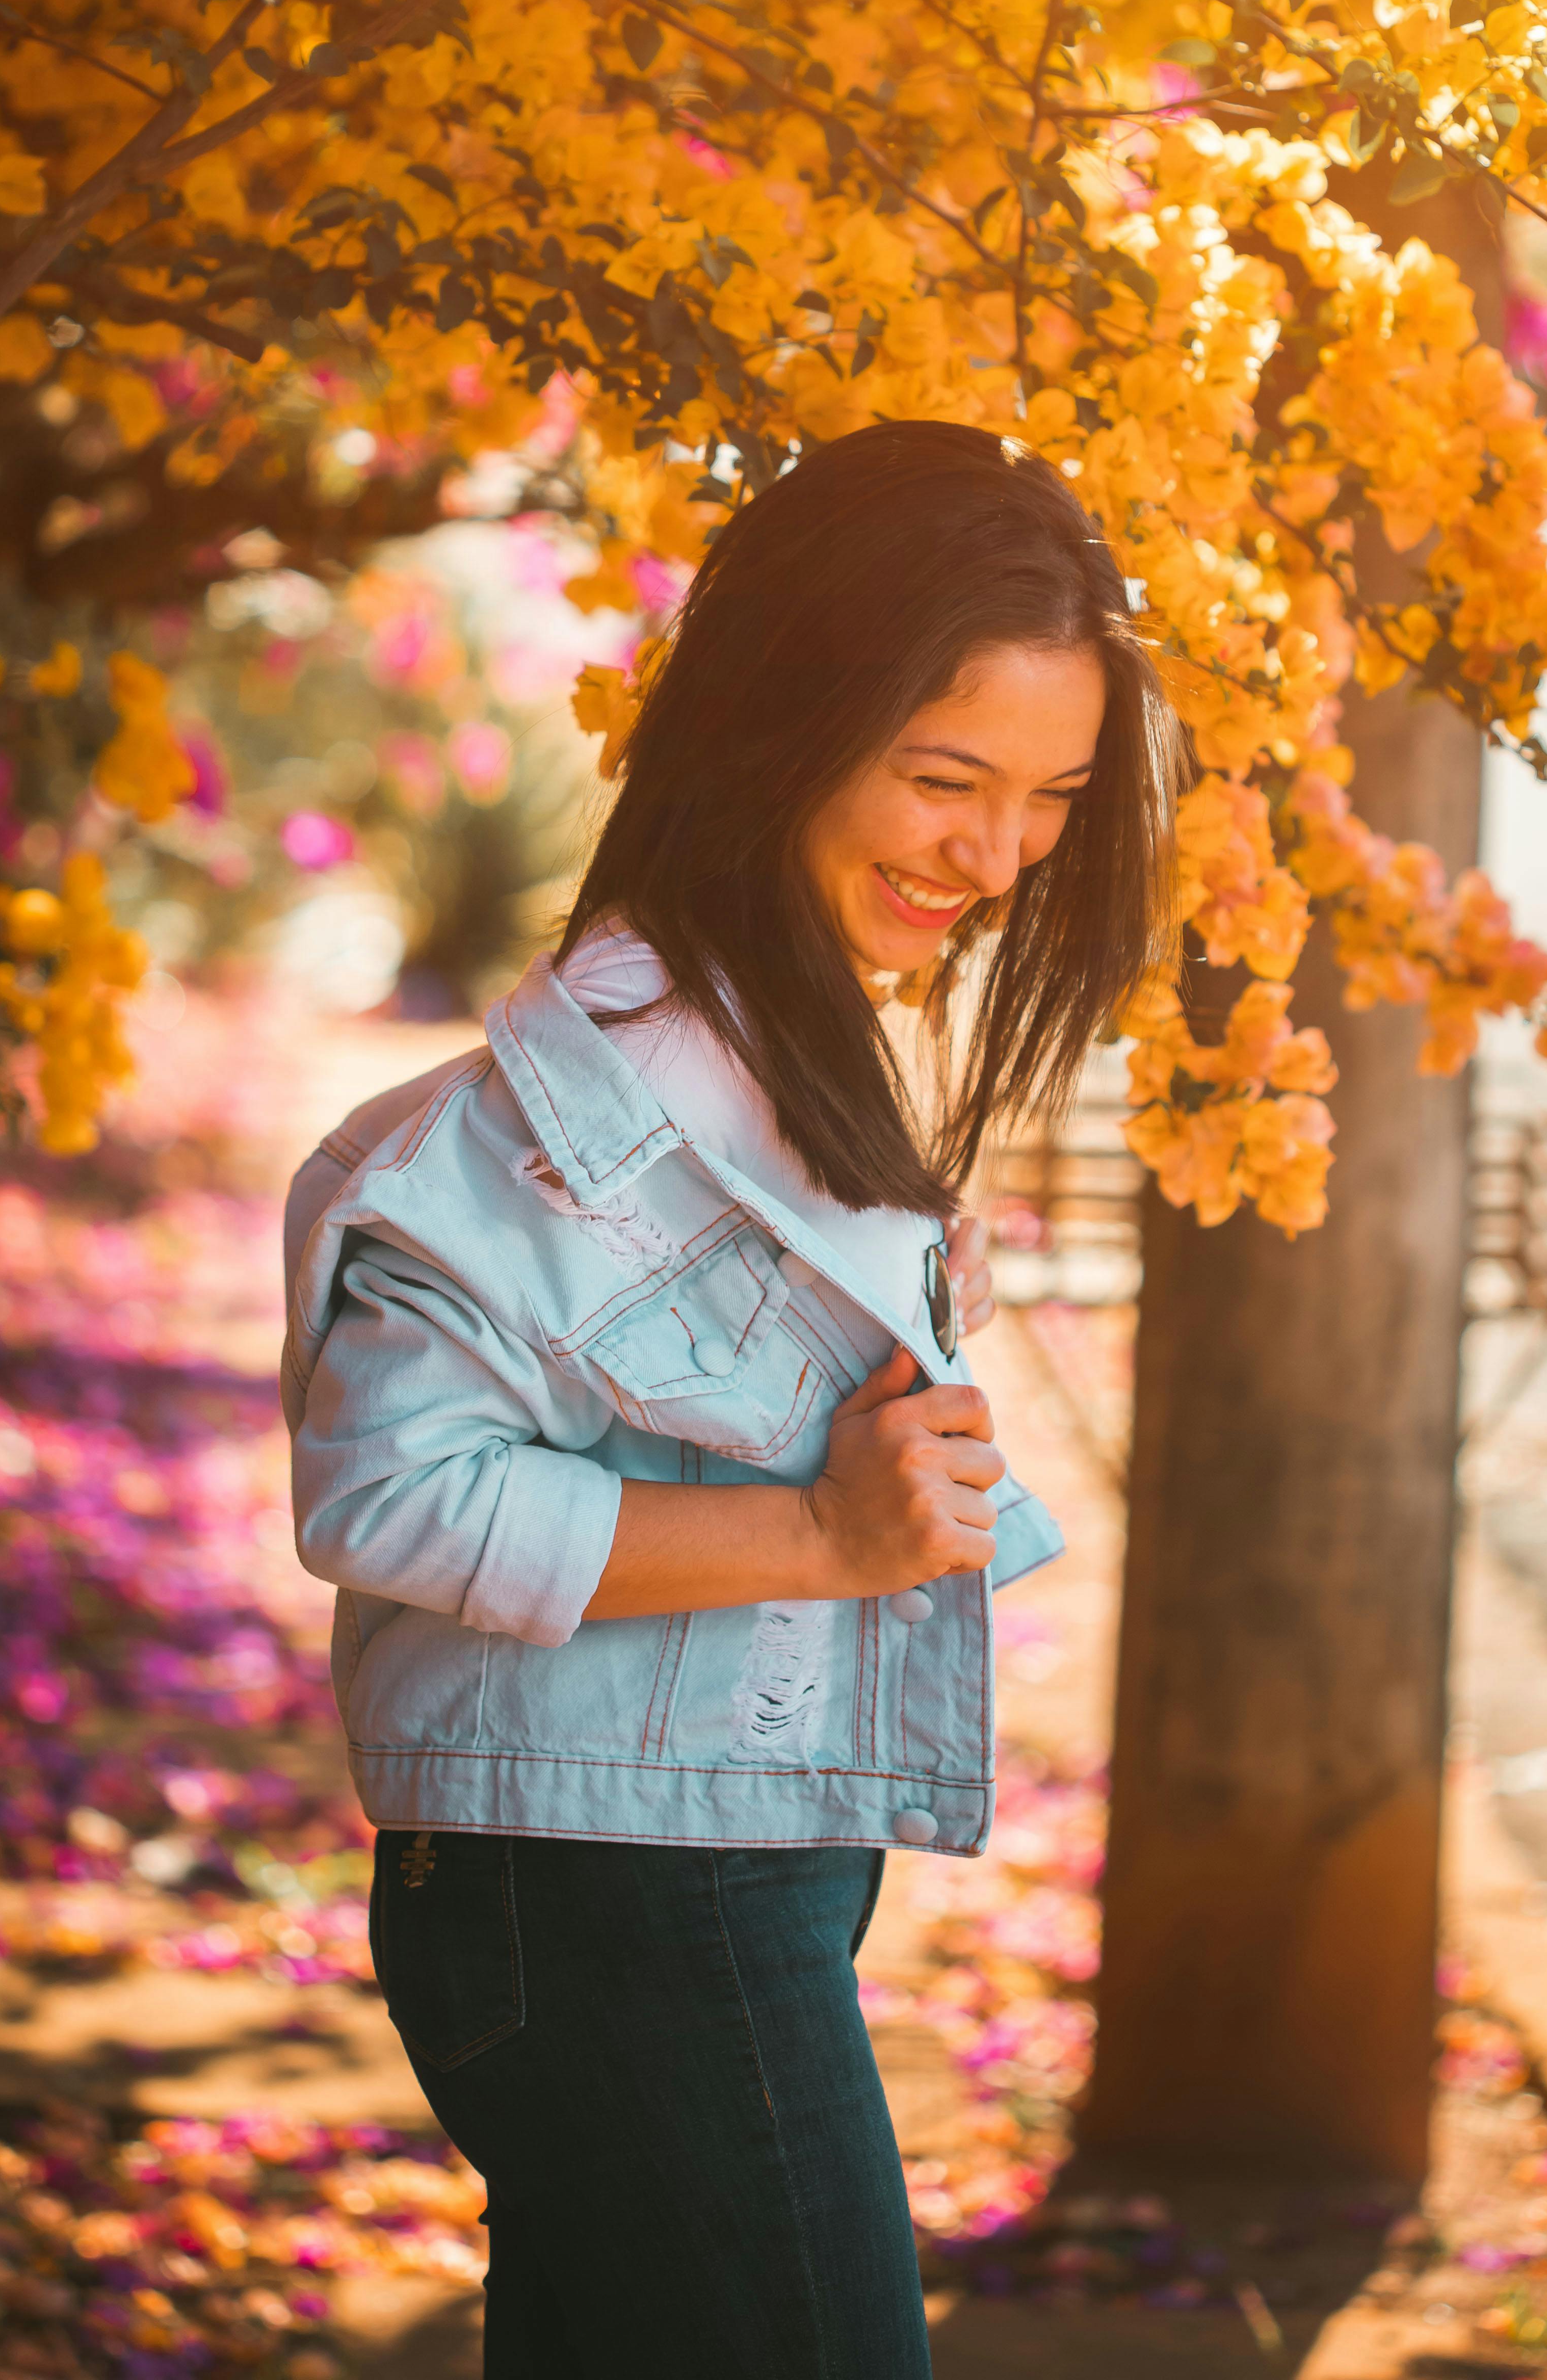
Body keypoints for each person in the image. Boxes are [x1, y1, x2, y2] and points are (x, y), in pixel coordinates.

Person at [283, 420, 1180, 2377]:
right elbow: (388, 1496)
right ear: (785, 718)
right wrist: (824, 1536)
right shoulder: (577, 1113)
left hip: (684, 1871)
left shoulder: (787, 1032)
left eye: (1050, 798)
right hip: (619, 1904)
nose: (998, 856)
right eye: (945, 780)